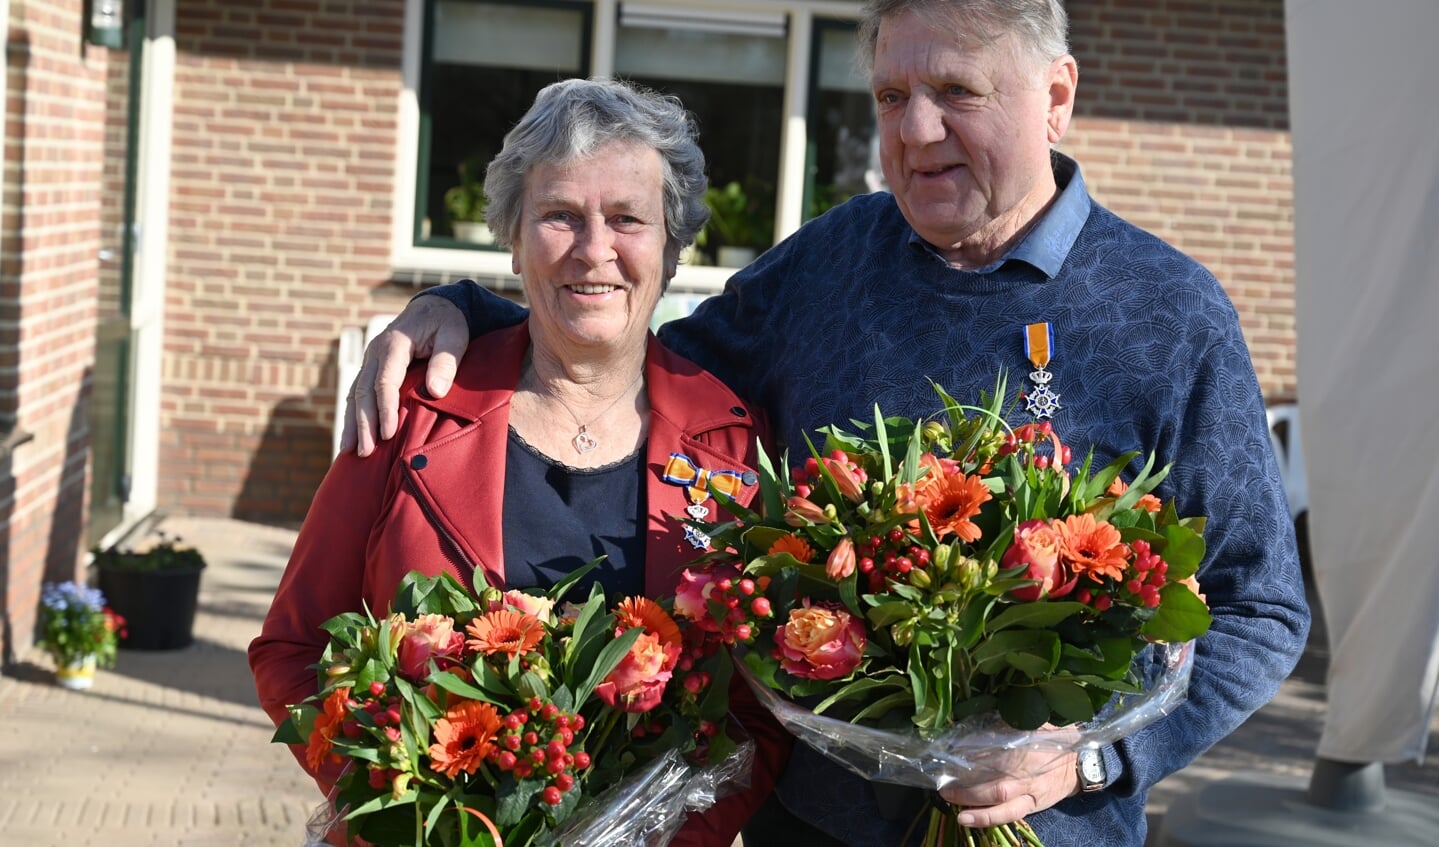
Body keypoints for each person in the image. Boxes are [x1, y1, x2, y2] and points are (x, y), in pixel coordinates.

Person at [341, 1, 1312, 845]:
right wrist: (468, 312)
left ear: (1053, 96)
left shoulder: (1169, 313)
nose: (916, 128)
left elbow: (1260, 605)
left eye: (955, 91)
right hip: (807, 828)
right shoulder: (829, 263)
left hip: (1051, 831)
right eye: (891, 96)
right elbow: (629, 345)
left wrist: (1092, 760)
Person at [249, 77, 790, 847]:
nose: (593, 248)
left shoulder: (733, 442)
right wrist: (405, 806)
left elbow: (757, 711)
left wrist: (654, 835)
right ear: (511, 235)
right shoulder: (411, 411)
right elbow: (293, 649)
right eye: (559, 216)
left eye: (627, 219)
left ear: (671, 246)